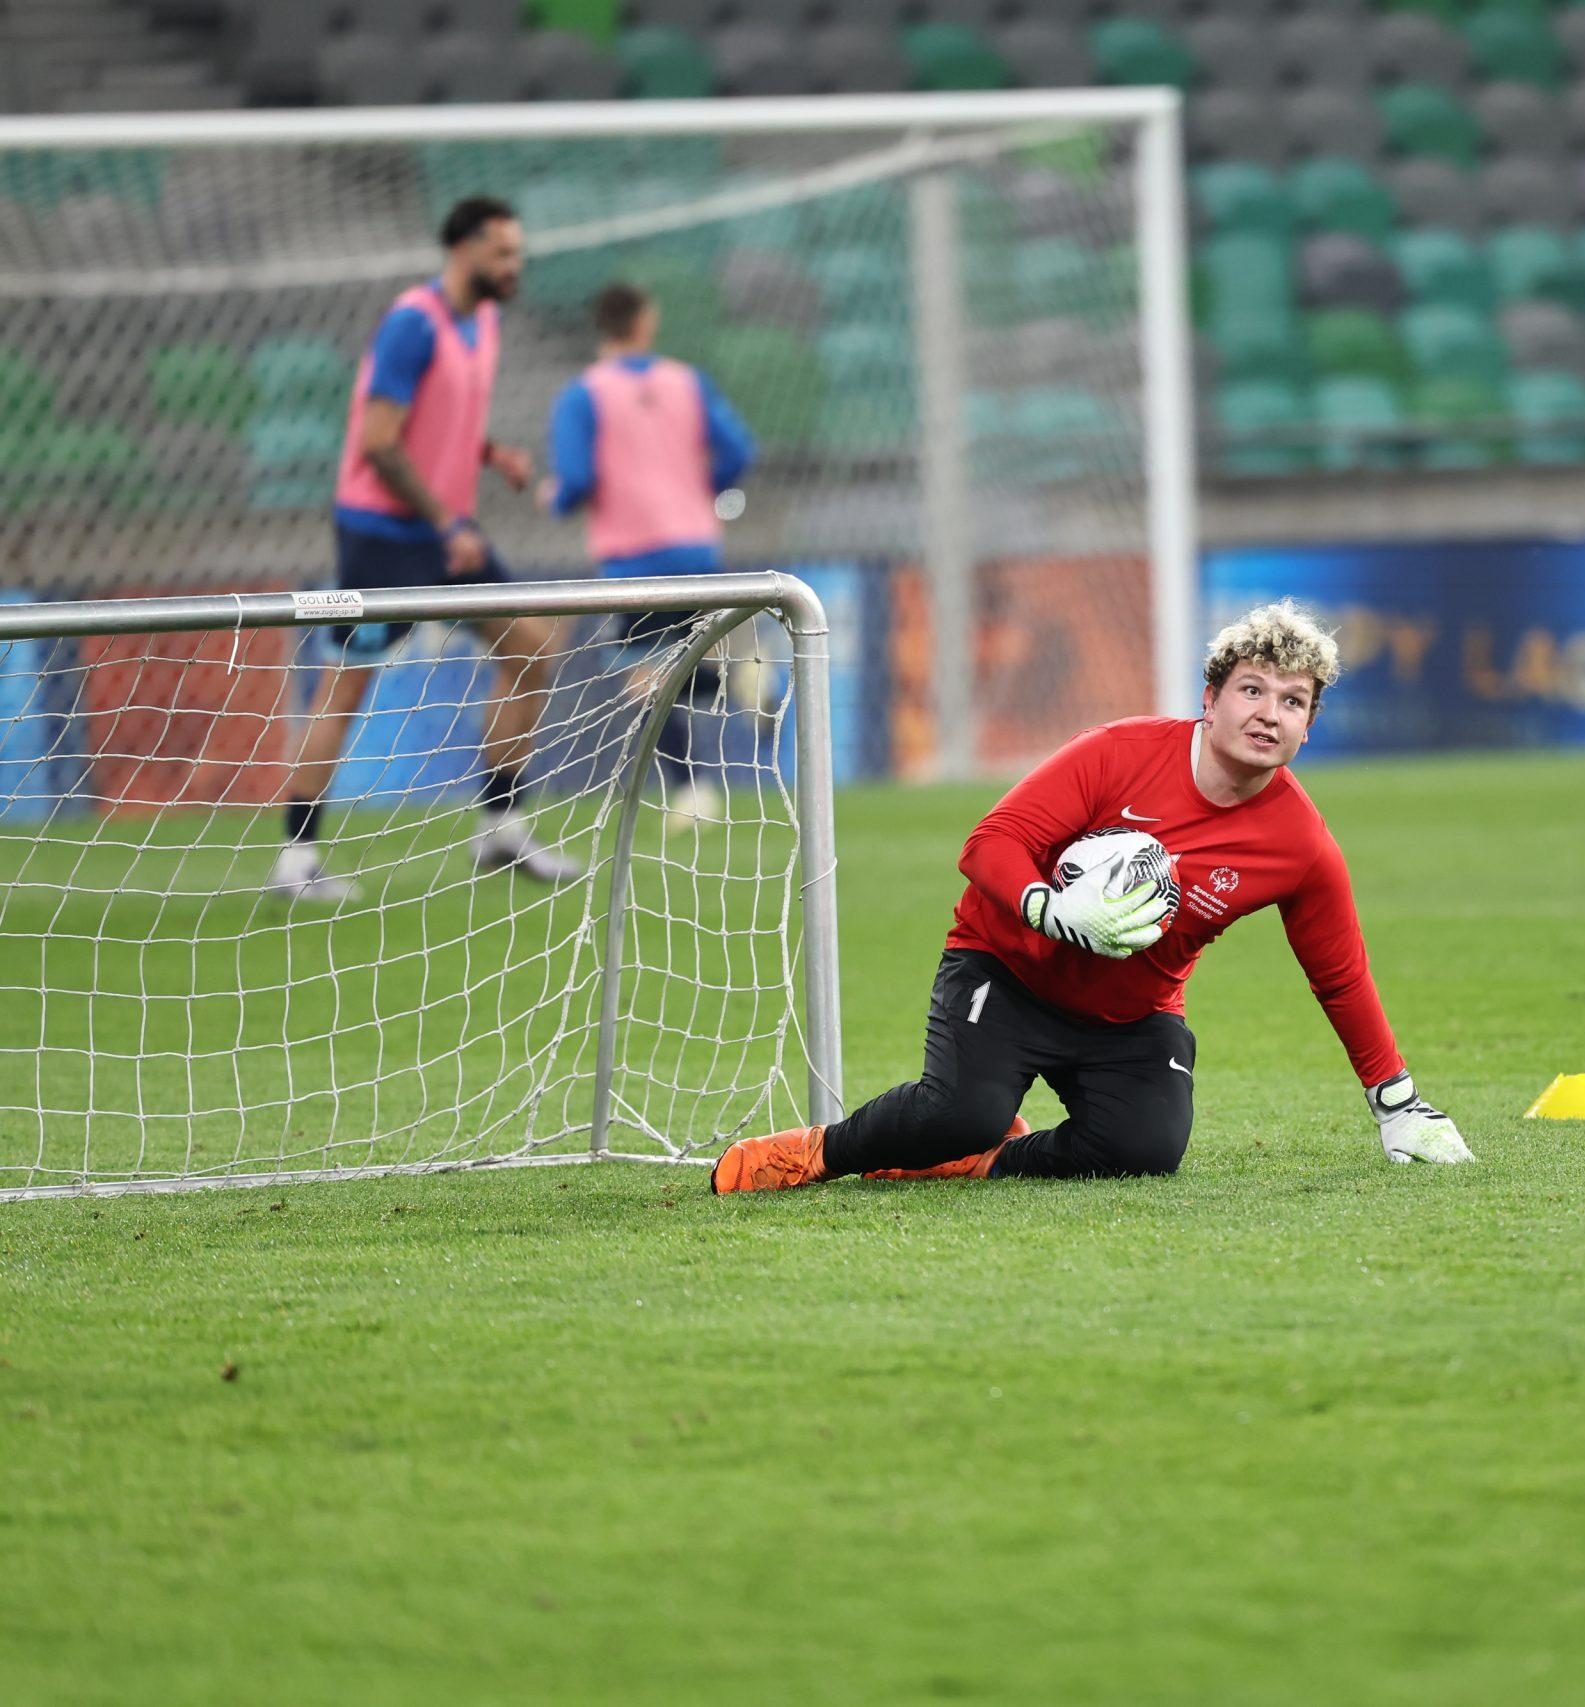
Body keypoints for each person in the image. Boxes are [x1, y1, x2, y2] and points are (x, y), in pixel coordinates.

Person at [711, 600, 1475, 1191]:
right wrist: (1047, 908)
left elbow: (1339, 975)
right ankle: (817, 1152)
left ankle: (982, 1160)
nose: (1269, 713)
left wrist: (1397, 1104)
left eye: (1293, 701)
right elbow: (988, 844)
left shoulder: (1300, 845)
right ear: (1210, 698)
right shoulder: (1119, 753)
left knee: (1145, 1149)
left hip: (1129, 1016)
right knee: (959, 1111)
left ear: (1308, 727)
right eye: (1252, 689)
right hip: (1005, 970)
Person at [267, 195, 579, 904]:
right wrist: (445, 522)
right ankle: (296, 857)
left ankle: (501, 826)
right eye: (503, 252)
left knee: (532, 648)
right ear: (464, 250)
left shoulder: (485, 321)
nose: (515, 265)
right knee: (347, 687)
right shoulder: (413, 323)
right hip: (386, 535)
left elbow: (435, 421)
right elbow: (379, 442)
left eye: (518, 252)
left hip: (446, 534)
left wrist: (489, 454)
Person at [541, 282, 757, 827]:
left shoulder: (583, 395)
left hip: (634, 557)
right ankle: (734, 680)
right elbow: (738, 449)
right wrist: (701, 489)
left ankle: (690, 788)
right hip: (696, 547)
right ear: (645, 322)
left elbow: (576, 478)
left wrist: (556, 498)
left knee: (642, 678)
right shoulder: (687, 381)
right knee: (686, 657)